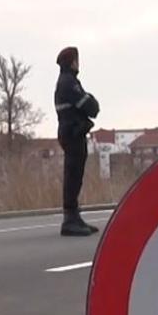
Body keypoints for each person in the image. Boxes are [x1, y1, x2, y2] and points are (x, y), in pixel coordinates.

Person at [54, 46, 100, 236]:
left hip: (73, 133)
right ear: (72, 61)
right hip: (72, 134)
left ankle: (74, 217)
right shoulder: (68, 83)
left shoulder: (69, 81)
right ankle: (70, 219)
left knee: (75, 176)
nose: (78, 62)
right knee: (73, 176)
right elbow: (91, 107)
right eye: (77, 59)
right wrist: (90, 100)